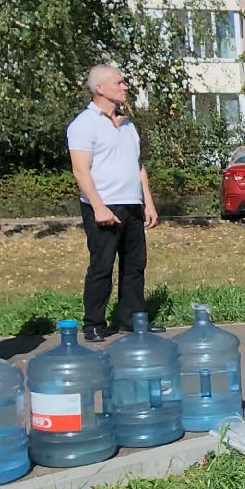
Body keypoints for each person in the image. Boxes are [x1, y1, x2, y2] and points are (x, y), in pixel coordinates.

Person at [67, 64, 158, 342]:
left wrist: (148, 203)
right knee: (102, 265)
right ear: (100, 88)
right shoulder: (84, 124)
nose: (125, 87)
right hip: (104, 205)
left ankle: (131, 320)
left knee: (135, 265)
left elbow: (138, 166)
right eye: (119, 83)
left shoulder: (128, 124)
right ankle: (94, 323)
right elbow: (80, 169)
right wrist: (98, 206)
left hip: (131, 204)